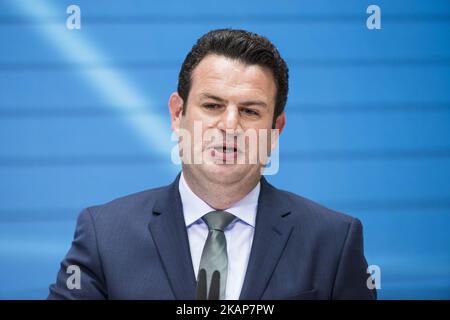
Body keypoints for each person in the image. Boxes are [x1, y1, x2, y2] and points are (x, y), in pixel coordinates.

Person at [48, 29, 376, 300]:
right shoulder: (103, 235)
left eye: (250, 111)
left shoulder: (334, 241)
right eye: (213, 105)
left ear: (276, 130)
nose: (229, 125)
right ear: (178, 114)